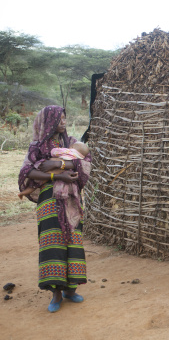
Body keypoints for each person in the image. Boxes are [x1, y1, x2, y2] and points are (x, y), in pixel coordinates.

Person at [18, 105, 92, 313]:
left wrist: (55, 164)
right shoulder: (36, 147)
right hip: (49, 199)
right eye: (59, 118)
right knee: (53, 244)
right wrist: (57, 174)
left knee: (73, 241)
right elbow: (28, 172)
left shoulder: (71, 142)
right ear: (48, 121)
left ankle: (70, 289)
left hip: (71, 199)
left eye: (64, 117)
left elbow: (85, 163)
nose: (63, 121)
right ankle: (56, 293)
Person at [18, 141, 90, 199]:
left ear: (73, 147)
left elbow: (55, 152)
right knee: (37, 183)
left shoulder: (68, 151)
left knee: (34, 184)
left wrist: (55, 163)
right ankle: (23, 193)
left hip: (49, 172)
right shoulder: (80, 157)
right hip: (61, 177)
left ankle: (23, 193)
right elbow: (81, 163)